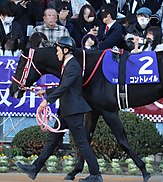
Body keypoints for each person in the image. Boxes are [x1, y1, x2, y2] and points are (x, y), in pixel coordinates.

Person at [15, 36, 103, 182]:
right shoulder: (68, 64)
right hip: (66, 109)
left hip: (73, 110)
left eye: (58, 50)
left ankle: (95, 174)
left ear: (66, 50)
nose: (56, 53)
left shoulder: (73, 65)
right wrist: (46, 92)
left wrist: (47, 101)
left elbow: (65, 87)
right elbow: (64, 86)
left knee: (81, 142)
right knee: (52, 140)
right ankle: (35, 168)